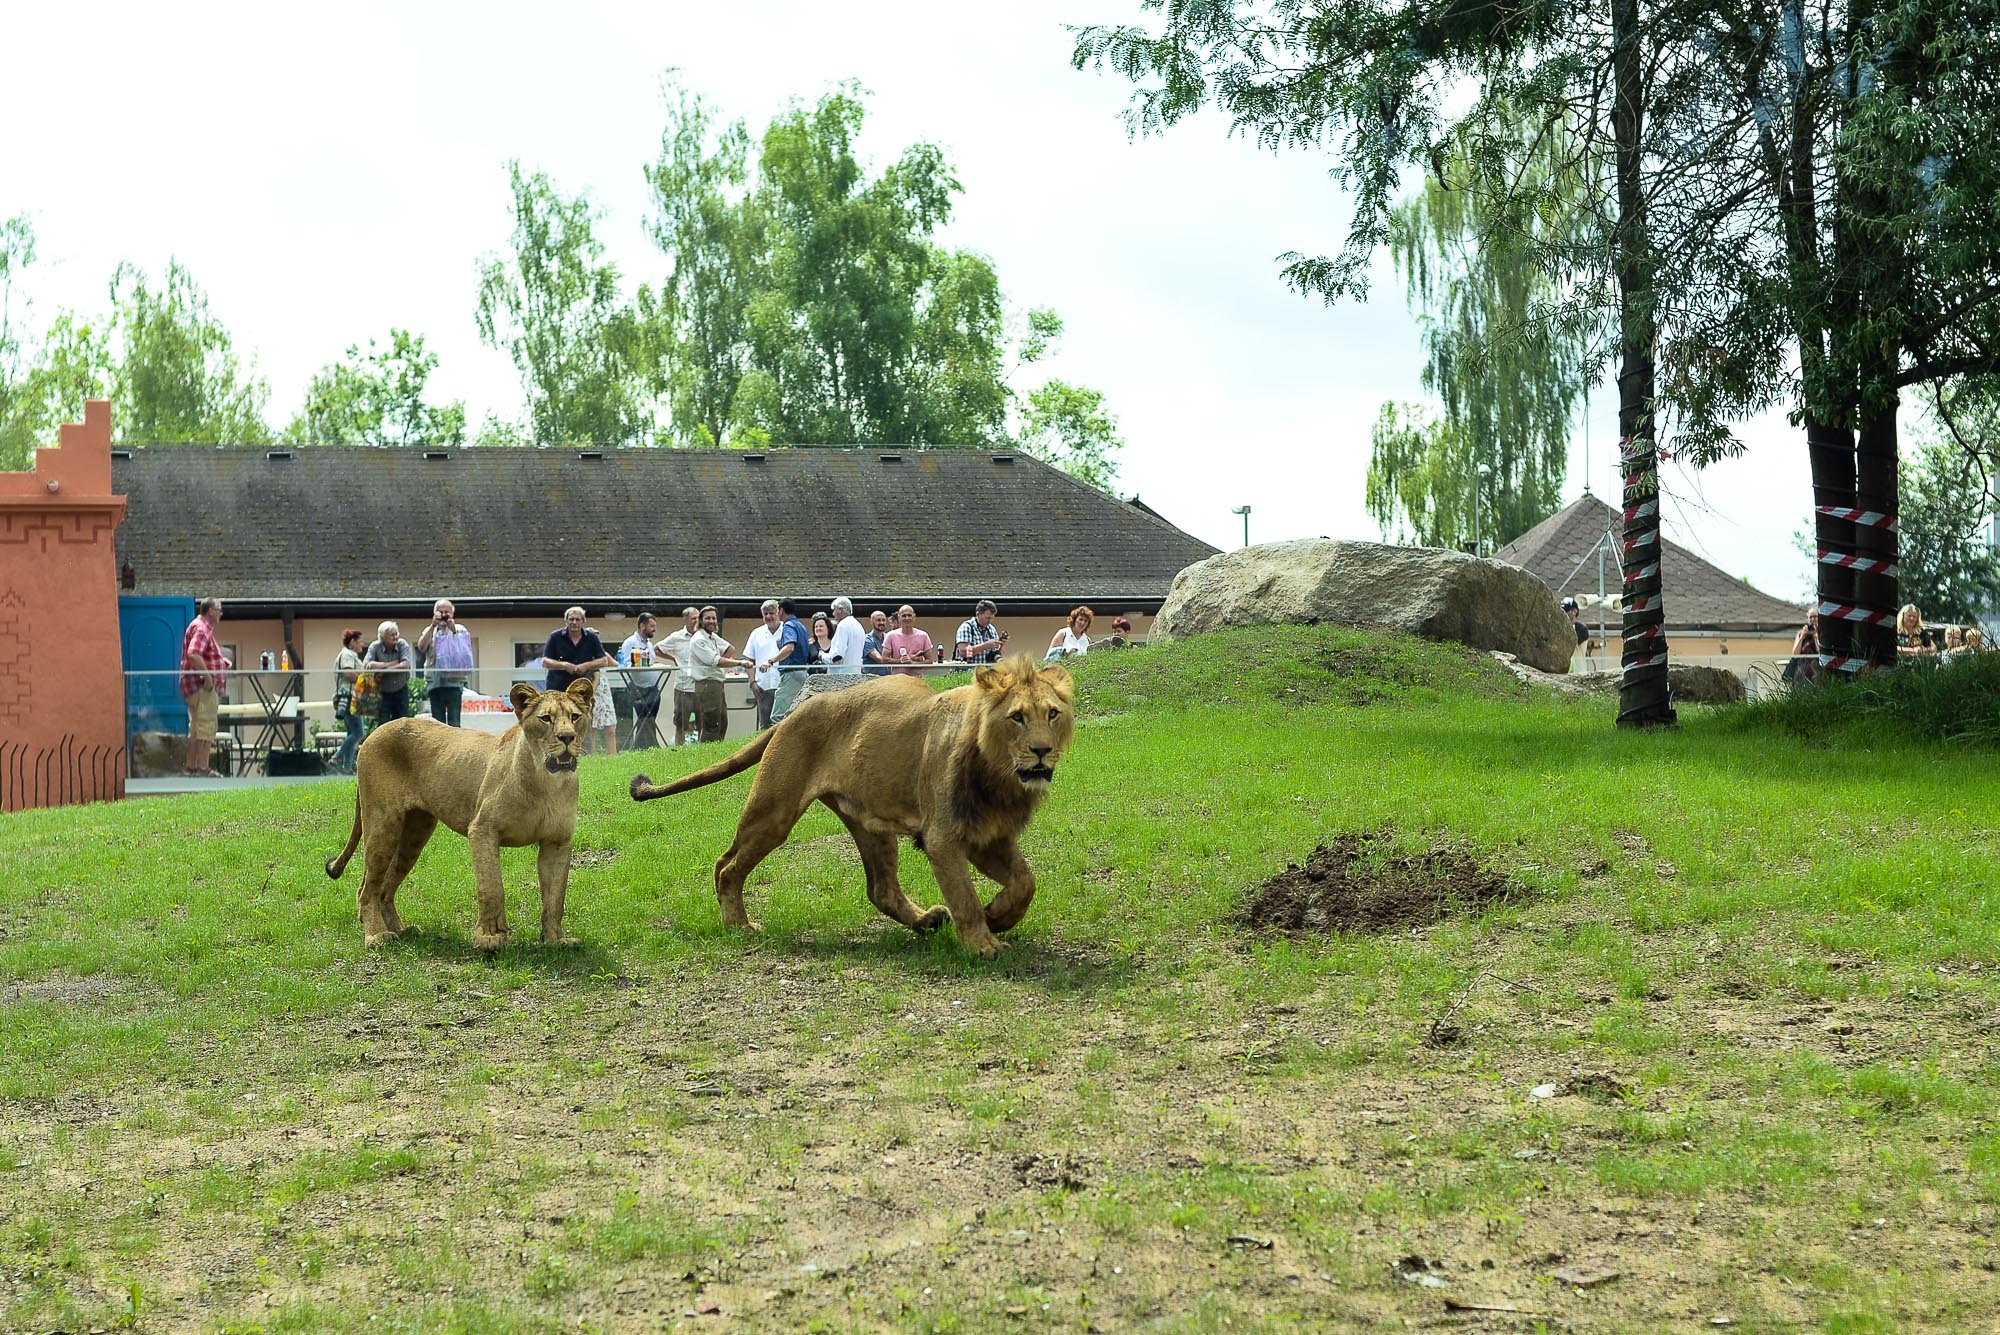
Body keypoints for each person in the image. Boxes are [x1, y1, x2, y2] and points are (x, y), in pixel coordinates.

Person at [178, 595, 229, 777]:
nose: (221, 614)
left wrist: (220, 663)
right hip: (202, 687)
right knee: (206, 726)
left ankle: (191, 768)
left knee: (196, 727)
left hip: (193, 686)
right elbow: (193, 653)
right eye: (219, 610)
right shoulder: (202, 628)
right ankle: (203, 769)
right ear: (211, 612)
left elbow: (198, 655)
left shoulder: (197, 626)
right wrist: (208, 676)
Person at [686, 606, 748, 742]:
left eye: (714, 618)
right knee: (711, 724)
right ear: (701, 621)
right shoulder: (698, 639)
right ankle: (707, 756)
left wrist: (721, 662)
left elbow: (730, 649)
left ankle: (717, 755)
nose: (712, 621)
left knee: (722, 722)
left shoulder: (712, 637)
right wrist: (740, 663)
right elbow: (716, 661)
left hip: (716, 683)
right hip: (707, 684)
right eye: (707, 618)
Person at [415, 598, 473, 726]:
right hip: (434, 682)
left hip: (454, 681)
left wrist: (453, 630)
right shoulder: (430, 630)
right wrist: (432, 626)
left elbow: (464, 650)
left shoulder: (460, 629)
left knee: (454, 721)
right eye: (439, 612)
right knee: (437, 723)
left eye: (446, 612)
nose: (443, 615)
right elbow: (421, 647)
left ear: (452, 614)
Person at [618, 612, 667, 749]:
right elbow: (627, 664)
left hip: (653, 687)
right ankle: (650, 747)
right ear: (642, 626)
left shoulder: (649, 644)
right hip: (639, 687)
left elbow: (651, 662)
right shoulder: (630, 642)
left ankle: (642, 747)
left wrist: (657, 665)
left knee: (650, 718)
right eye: (652, 626)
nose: (654, 629)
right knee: (645, 718)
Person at [656, 606, 701, 747]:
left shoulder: (704, 636)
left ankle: (702, 751)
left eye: (698, 618)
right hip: (683, 686)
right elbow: (657, 648)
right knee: (681, 723)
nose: (696, 621)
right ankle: (679, 751)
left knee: (701, 722)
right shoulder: (677, 637)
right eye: (693, 618)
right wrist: (673, 659)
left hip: (700, 685)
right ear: (685, 619)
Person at [770, 598, 814, 721]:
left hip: (791, 673)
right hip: (802, 672)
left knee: (778, 716)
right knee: (795, 715)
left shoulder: (788, 625)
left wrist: (771, 661)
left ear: (781, 610)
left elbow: (790, 647)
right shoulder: (801, 626)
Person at [744, 599, 786, 729]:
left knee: (784, 723)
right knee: (765, 725)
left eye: (771, 613)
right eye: (765, 614)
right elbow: (748, 659)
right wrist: (752, 682)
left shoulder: (788, 630)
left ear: (778, 613)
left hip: (784, 684)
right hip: (764, 686)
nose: (768, 616)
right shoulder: (756, 633)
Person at [364, 620, 416, 724]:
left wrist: (383, 671)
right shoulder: (375, 646)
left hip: (401, 691)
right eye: (392, 635)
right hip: (382, 693)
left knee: (401, 724)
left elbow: (405, 665)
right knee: (382, 725)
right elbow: (367, 665)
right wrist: (389, 664)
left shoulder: (402, 644)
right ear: (383, 637)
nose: (395, 637)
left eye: (396, 634)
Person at [331, 627, 366, 773]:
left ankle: (347, 766)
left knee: (351, 732)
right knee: (358, 733)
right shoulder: (347, 654)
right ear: (352, 642)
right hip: (349, 697)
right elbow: (348, 672)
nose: (362, 645)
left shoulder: (348, 654)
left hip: (346, 696)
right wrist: (364, 682)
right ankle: (337, 757)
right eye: (360, 642)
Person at [882, 604, 935, 676]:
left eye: (909, 615)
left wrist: (913, 663)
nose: (907, 618)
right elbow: (884, 659)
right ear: (899, 618)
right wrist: (901, 661)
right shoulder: (891, 636)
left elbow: (929, 661)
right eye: (904, 616)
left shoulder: (923, 636)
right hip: (897, 680)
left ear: (914, 617)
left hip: (917, 680)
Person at [824, 597, 868, 675]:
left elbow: (838, 656)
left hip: (841, 676)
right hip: (856, 674)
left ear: (840, 610)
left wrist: (822, 656)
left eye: (834, 610)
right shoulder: (859, 626)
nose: (833, 614)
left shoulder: (842, 625)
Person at [956, 598, 1007, 664]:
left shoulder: (991, 629)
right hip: (969, 671)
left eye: (992, 618)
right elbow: (963, 652)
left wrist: (1003, 645)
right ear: (978, 614)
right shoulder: (966, 627)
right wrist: (986, 645)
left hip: (987, 672)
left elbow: (997, 656)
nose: (990, 621)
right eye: (987, 618)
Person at [1783, 607, 1823, 687]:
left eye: (1815, 616)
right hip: (1802, 669)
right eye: (1810, 617)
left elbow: (1820, 651)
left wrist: (1815, 636)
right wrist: (1802, 637)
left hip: (1816, 669)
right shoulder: (1801, 634)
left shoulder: (1822, 633)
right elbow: (1795, 654)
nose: (1813, 619)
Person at [863, 609, 892, 676]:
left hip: (889, 678)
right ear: (871, 621)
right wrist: (900, 661)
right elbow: (880, 660)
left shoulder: (888, 637)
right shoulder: (867, 639)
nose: (881, 622)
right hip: (872, 679)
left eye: (883, 620)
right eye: (878, 620)